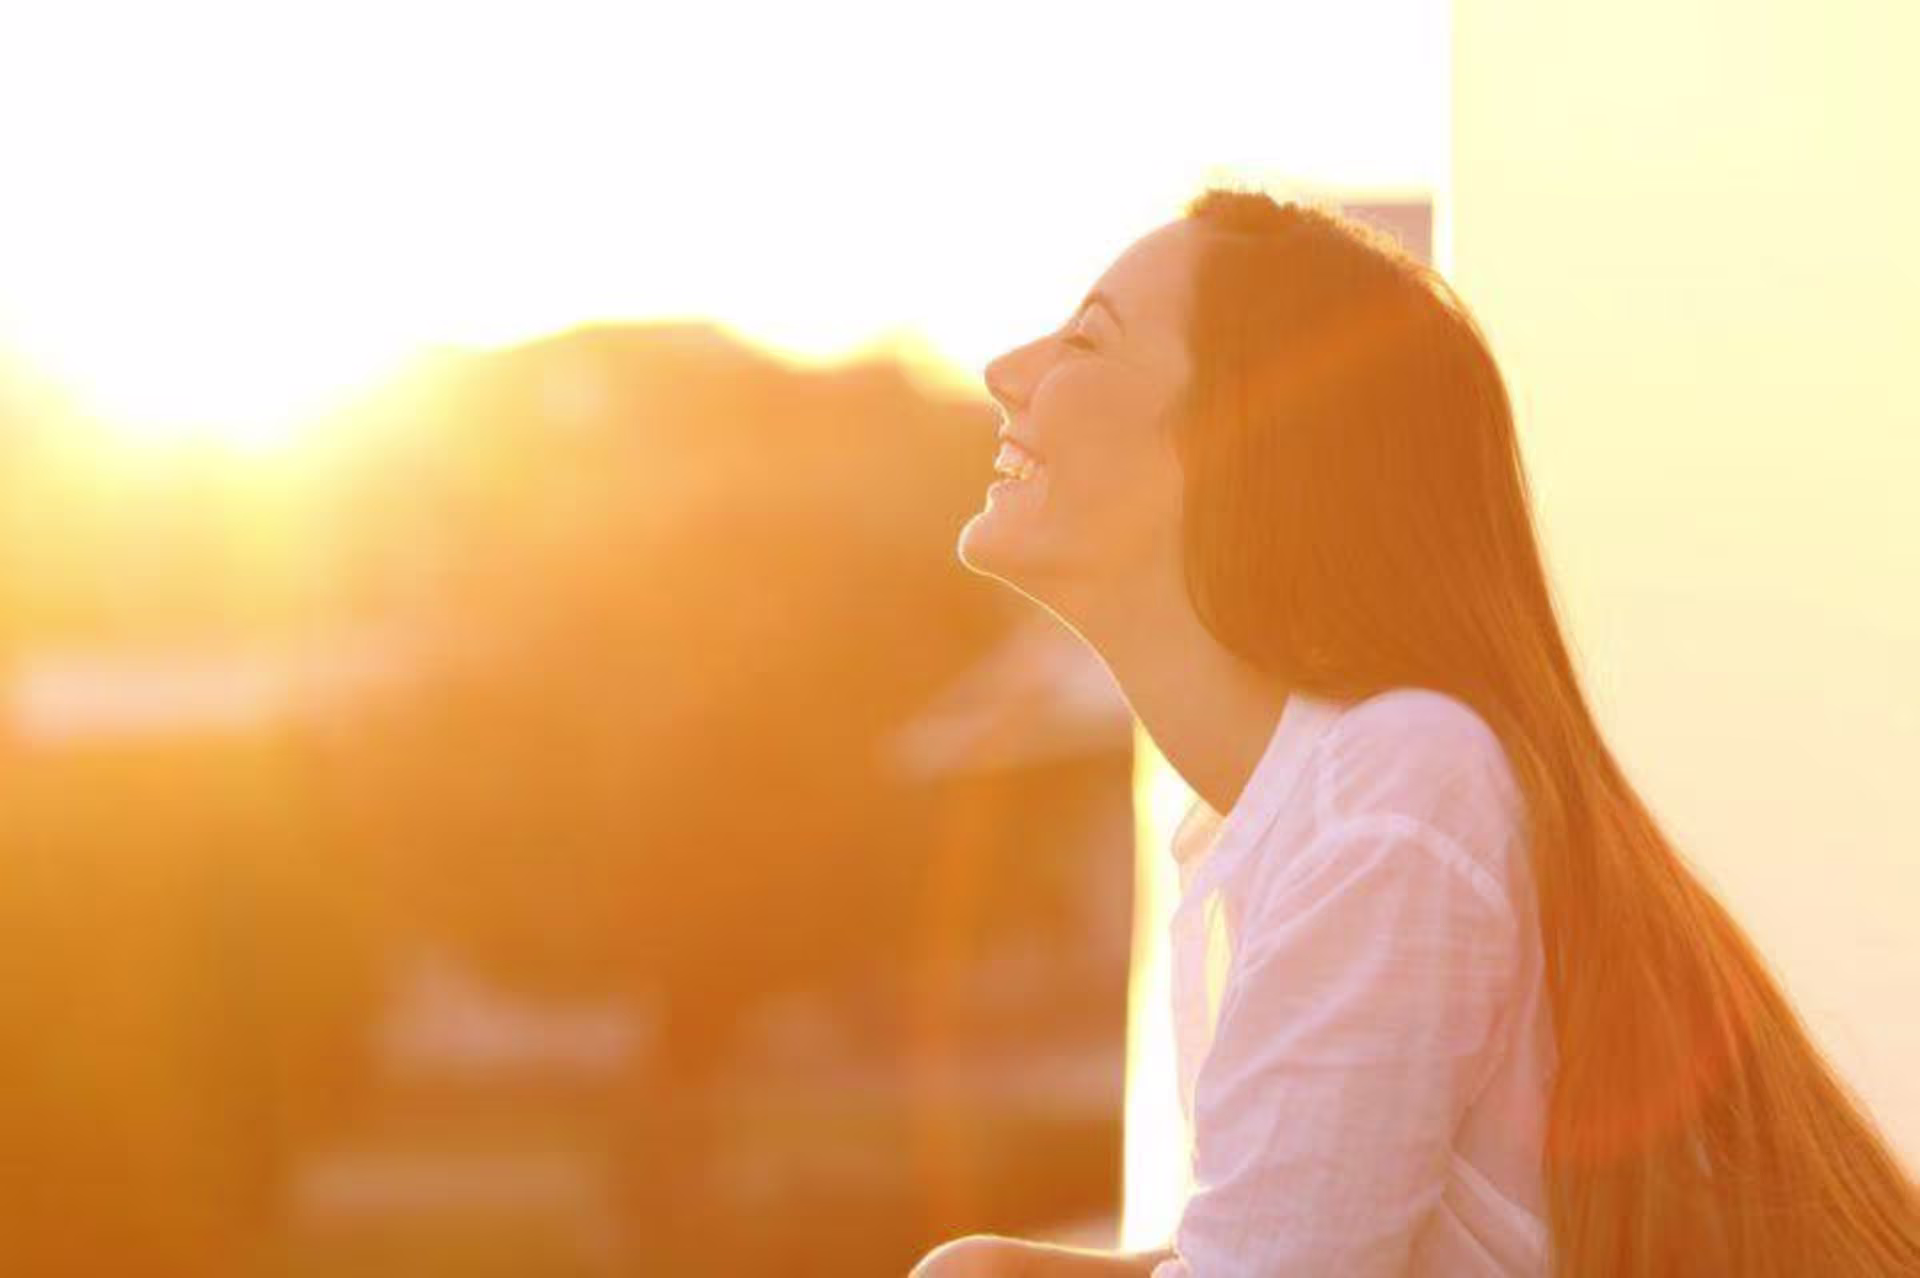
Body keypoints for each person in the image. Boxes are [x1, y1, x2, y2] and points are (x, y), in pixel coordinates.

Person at [910, 185, 1920, 1277]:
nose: (1007, 371)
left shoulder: (1394, 791)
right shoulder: (1288, 813)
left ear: (1236, 438)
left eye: (1085, 341)